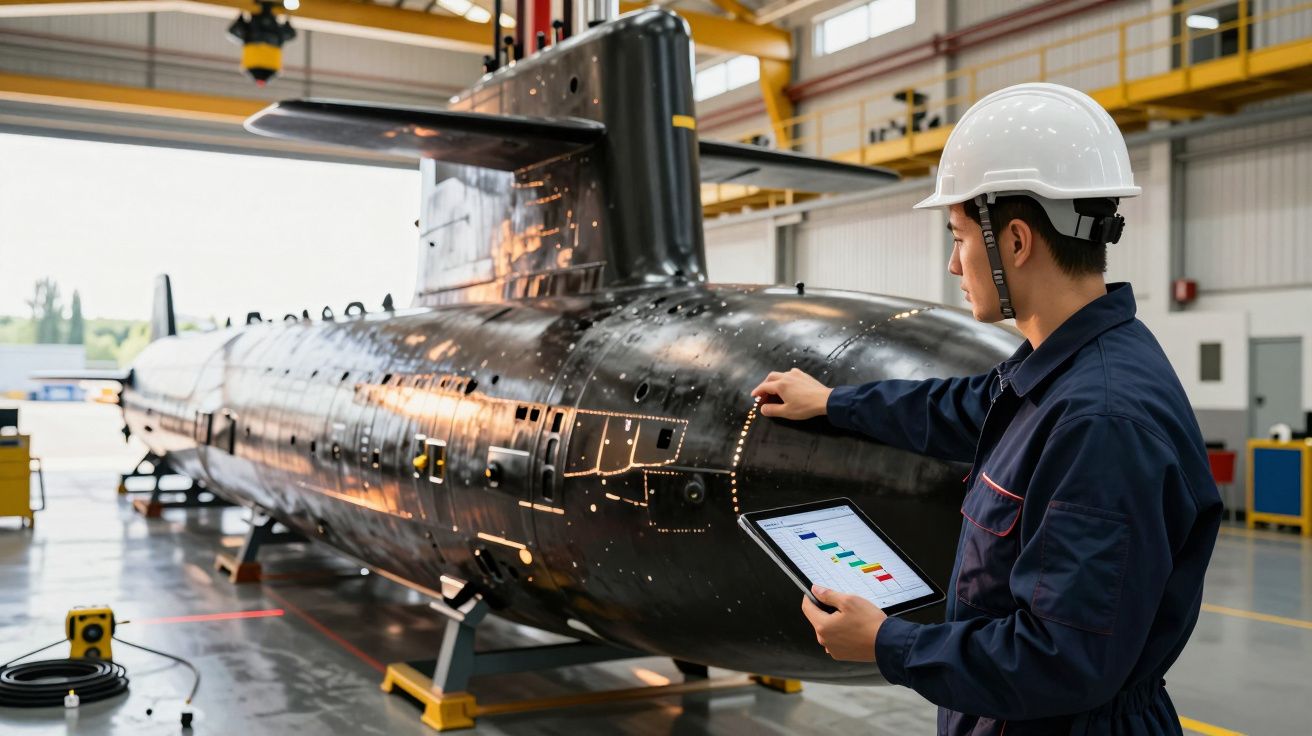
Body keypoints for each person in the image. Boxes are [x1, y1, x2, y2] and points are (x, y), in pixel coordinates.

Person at [750, 83, 1221, 736]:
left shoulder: (1100, 424)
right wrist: (831, 402)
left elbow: (1062, 660)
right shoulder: (1064, 371)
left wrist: (888, 643)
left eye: (959, 236)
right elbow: (963, 405)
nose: (952, 263)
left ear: (1017, 242)